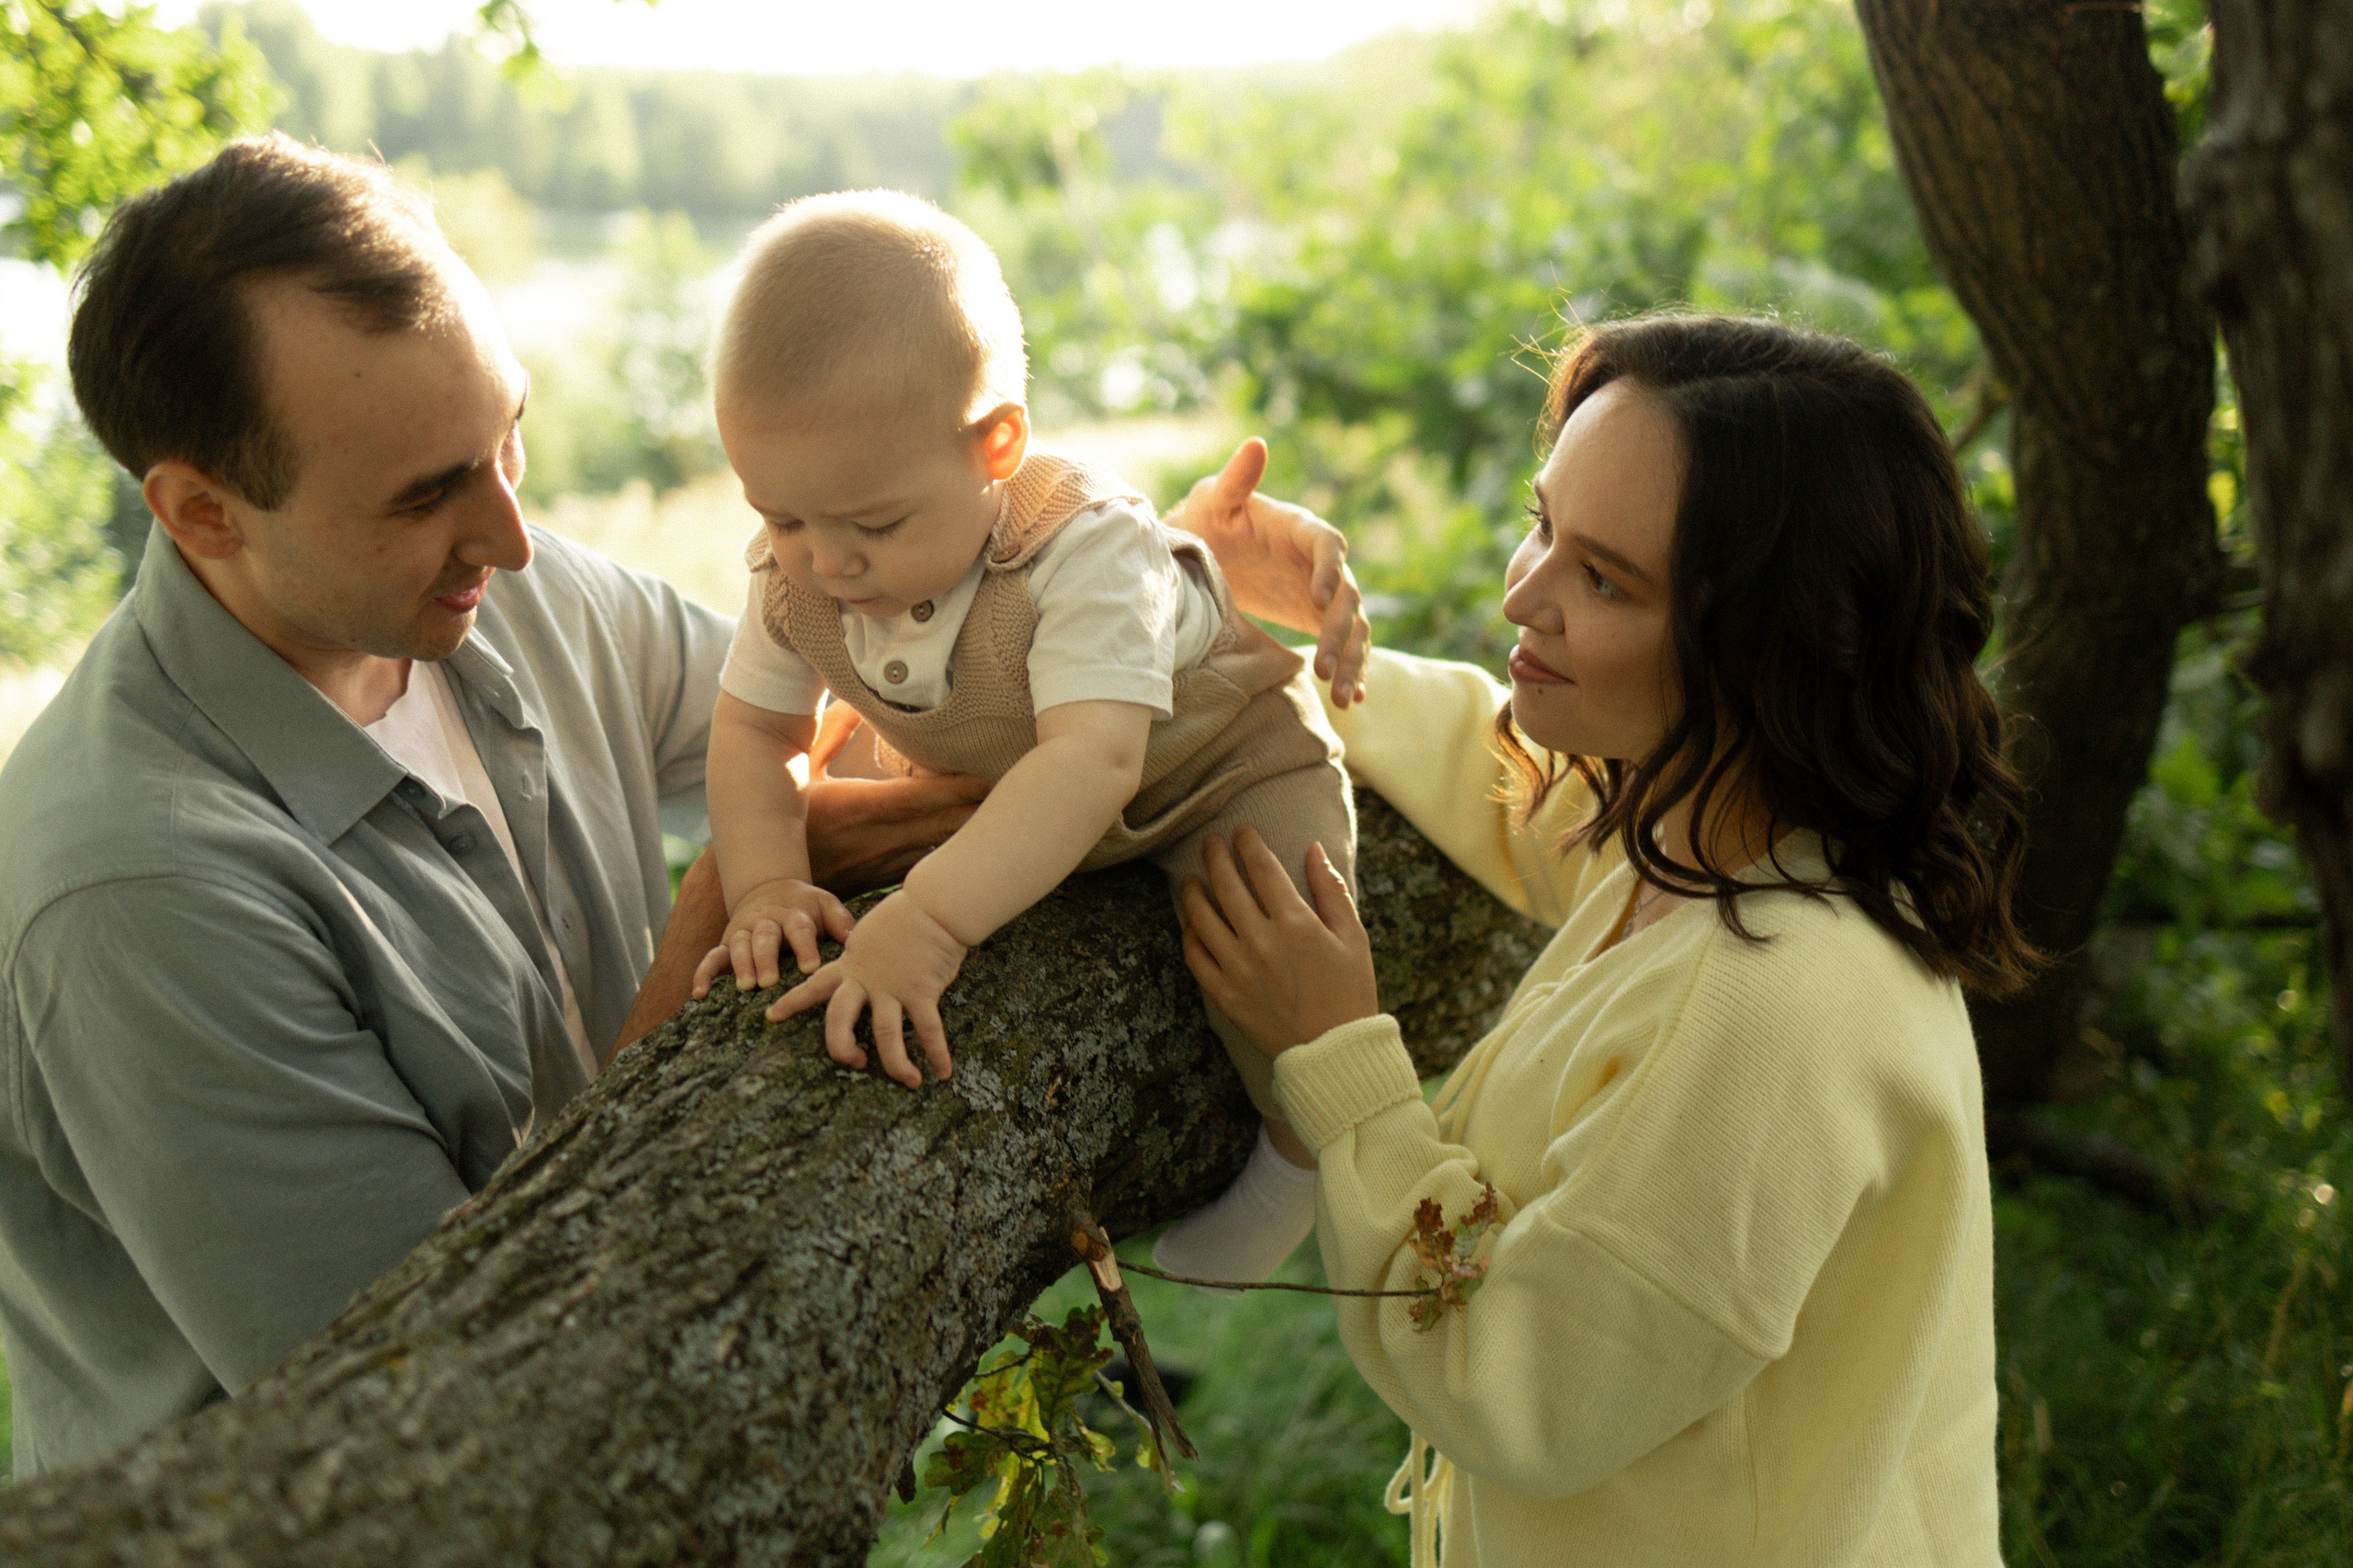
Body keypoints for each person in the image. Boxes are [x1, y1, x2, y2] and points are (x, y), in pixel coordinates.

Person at [0, 136, 981, 1480]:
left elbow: (874, 719)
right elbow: (449, 1394)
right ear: (203, 513)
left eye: (504, 437)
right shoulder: (139, 895)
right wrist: (728, 894)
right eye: (423, 495)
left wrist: (1117, 602)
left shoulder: (501, 590)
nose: (512, 535)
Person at [1179, 315, 2030, 1565]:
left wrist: (1337, 1054)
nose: (1522, 593)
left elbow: (1516, 1378)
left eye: (1605, 580)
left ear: (1761, 648)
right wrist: (1224, 626)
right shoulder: (1733, 830)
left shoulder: (1774, 1009)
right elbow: (1512, 777)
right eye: (1542, 526)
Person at [686, 190, 1358, 1281]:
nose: (825, 562)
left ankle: (1297, 1154)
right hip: (994, 780)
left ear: (995, 445)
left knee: (1295, 921)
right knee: (844, 781)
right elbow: (757, 731)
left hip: (1206, 761)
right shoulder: (800, 572)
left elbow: (1094, 757)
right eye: (782, 516)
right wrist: (765, 884)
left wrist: (929, 921)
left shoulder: (1085, 547)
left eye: (872, 523)